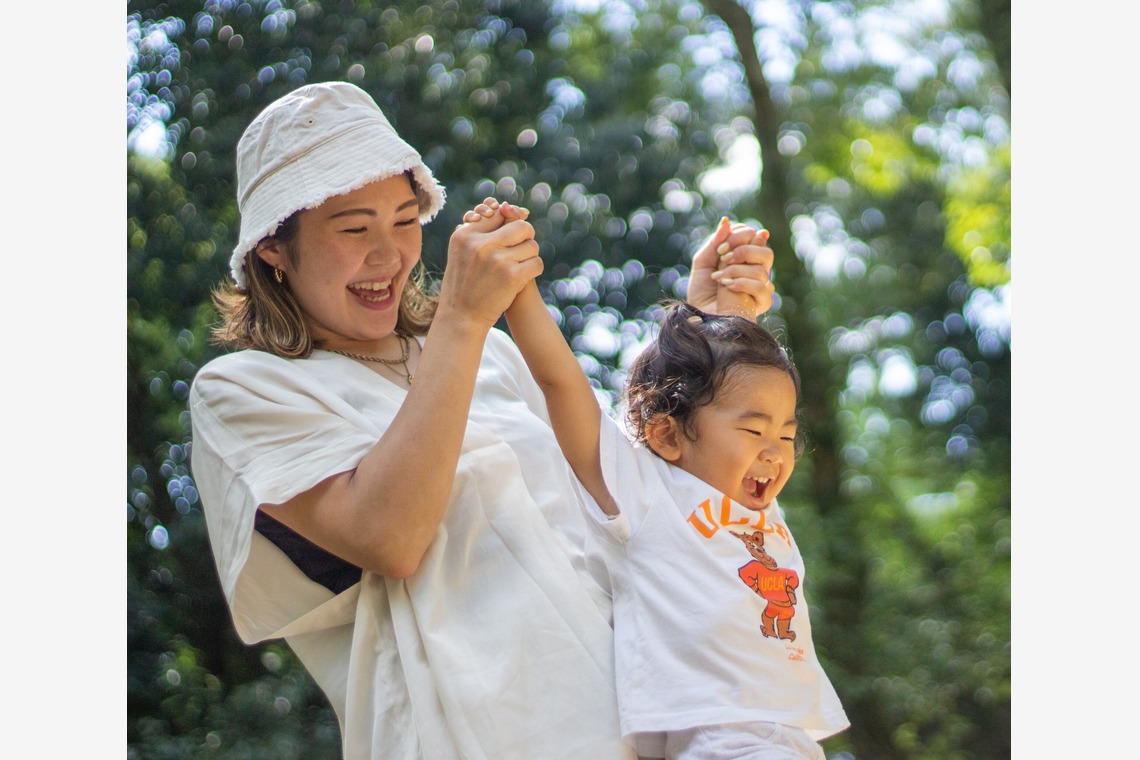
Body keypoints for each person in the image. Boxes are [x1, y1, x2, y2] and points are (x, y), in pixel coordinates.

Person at [188, 80, 776, 760]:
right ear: (272, 247)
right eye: (354, 228)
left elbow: (633, 502)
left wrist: (708, 336)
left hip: (653, 716)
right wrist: (463, 319)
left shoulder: (490, 354)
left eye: (406, 221)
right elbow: (391, 536)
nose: (389, 255)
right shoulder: (242, 389)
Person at [495, 200, 849, 759]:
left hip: (786, 739)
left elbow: (729, 385)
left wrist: (730, 307)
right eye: (756, 434)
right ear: (666, 436)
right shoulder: (647, 495)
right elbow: (562, 384)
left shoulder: (756, 508)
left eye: (785, 434)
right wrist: (517, 289)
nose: (775, 452)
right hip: (719, 740)